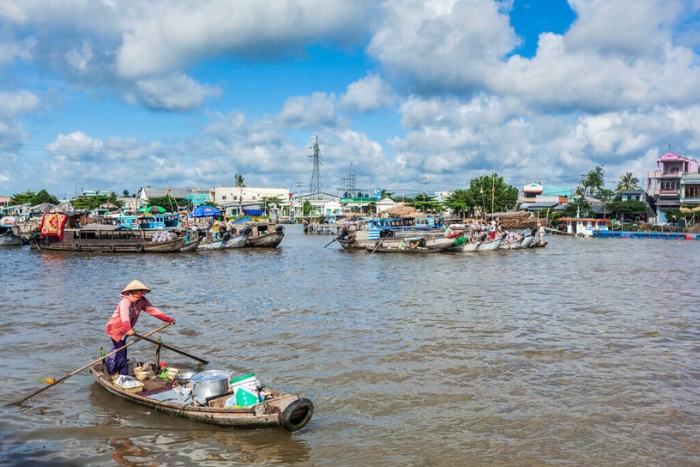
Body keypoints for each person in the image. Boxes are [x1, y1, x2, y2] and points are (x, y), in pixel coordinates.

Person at [105, 280, 175, 375]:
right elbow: (124, 315)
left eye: (141, 292)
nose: (138, 295)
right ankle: (121, 374)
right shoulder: (125, 302)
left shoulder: (142, 301)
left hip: (126, 330)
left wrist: (168, 319)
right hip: (116, 329)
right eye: (135, 293)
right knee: (122, 351)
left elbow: (153, 310)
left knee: (118, 349)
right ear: (129, 292)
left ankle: (113, 368)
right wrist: (128, 328)